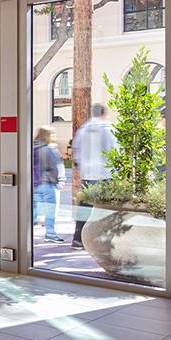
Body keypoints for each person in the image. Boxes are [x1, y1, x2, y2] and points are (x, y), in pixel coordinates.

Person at [71, 103, 117, 247]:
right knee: (105, 207)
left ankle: (78, 238)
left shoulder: (83, 130)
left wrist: (82, 166)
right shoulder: (108, 129)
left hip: (88, 174)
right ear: (104, 113)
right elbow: (115, 152)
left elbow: (76, 151)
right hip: (105, 174)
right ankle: (102, 238)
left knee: (85, 207)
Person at [33, 127, 65, 242]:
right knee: (50, 210)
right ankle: (50, 234)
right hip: (48, 184)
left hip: (34, 184)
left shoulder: (31, 147)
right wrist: (61, 181)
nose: (55, 137)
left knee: (33, 210)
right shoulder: (49, 149)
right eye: (53, 134)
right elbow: (55, 167)